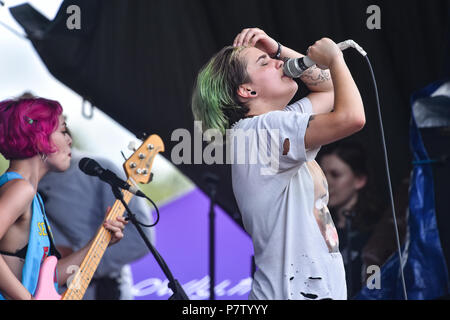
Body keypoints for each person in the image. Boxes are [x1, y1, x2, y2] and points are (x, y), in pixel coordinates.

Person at [191, 28, 365, 300]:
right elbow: (351, 117)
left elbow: (329, 89)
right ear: (247, 90)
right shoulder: (261, 130)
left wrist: (278, 49)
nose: (278, 63)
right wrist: (335, 59)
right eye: (265, 63)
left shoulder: (272, 124)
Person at [0, 96, 127, 300]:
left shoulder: (30, 195)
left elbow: (50, 278)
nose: (69, 140)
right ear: (39, 138)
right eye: (62, 131)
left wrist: (99, 241)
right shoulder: (19, 189)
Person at [38, 145, 155, 300]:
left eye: (61, 125)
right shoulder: (19, 185)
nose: (66, 137)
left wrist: (75, 257)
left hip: (105, 291)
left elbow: (139, 240)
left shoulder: (99, 169)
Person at [317, 140, 385, 298]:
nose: (326, 183)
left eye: (335, 174)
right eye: (322, 174)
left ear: (359, 180)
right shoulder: (316, 228)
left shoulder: (379, 231)